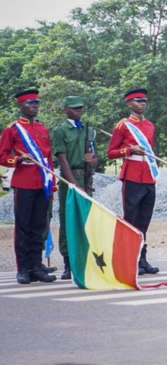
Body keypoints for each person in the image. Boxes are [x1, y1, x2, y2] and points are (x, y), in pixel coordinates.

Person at [1, 89, 57, 284]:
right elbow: (2, 156)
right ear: (21, 106)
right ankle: (23, 268)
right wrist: (17, 159)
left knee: (39, 226)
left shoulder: (43, 129)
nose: (35, 106)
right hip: (23, 182)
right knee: (23, 226)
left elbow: (48, 159)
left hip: (42, 183)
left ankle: (36, 266)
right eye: (30, 103)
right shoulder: (13, 129)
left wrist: (52, 184)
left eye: (37, 103)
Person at [108, 88, 161, 276]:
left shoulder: (151, 126)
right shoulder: (123, 126)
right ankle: (132, 259)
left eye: (144, 100)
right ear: (129, 104)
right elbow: (111, 152)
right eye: (138, 101)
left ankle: (143, 258)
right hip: (131, 175)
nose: (143, 103)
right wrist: (129, 151)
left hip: (148, 177)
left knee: (144, 221)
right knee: (131, 220)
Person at [50, 96, 99, 279]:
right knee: (68, 219)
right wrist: (74, 184)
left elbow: (95, 160)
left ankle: (86, 259)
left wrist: (92, 161)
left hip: (87, 178)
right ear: (66, 110)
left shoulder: (90, 131)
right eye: (74, 108)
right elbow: (62, 160)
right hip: (68, 179)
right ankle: (68, 263)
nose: (79, 110)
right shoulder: (61, 131)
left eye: (81, 108)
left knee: (86, 219)